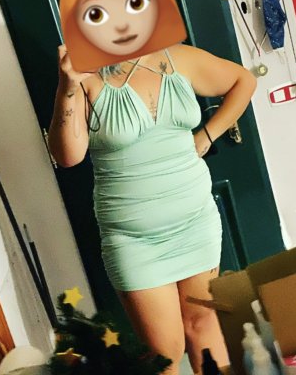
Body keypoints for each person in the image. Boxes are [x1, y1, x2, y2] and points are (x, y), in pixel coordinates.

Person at [49, 42, 256, 375]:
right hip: (135, 241)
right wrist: (67, 87)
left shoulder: (178, 57)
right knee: (165, 353)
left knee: (204, 323)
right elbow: (68, 157)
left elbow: (243, 80)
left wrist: (206, 136)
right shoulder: (85, 75)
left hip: (196, 223)